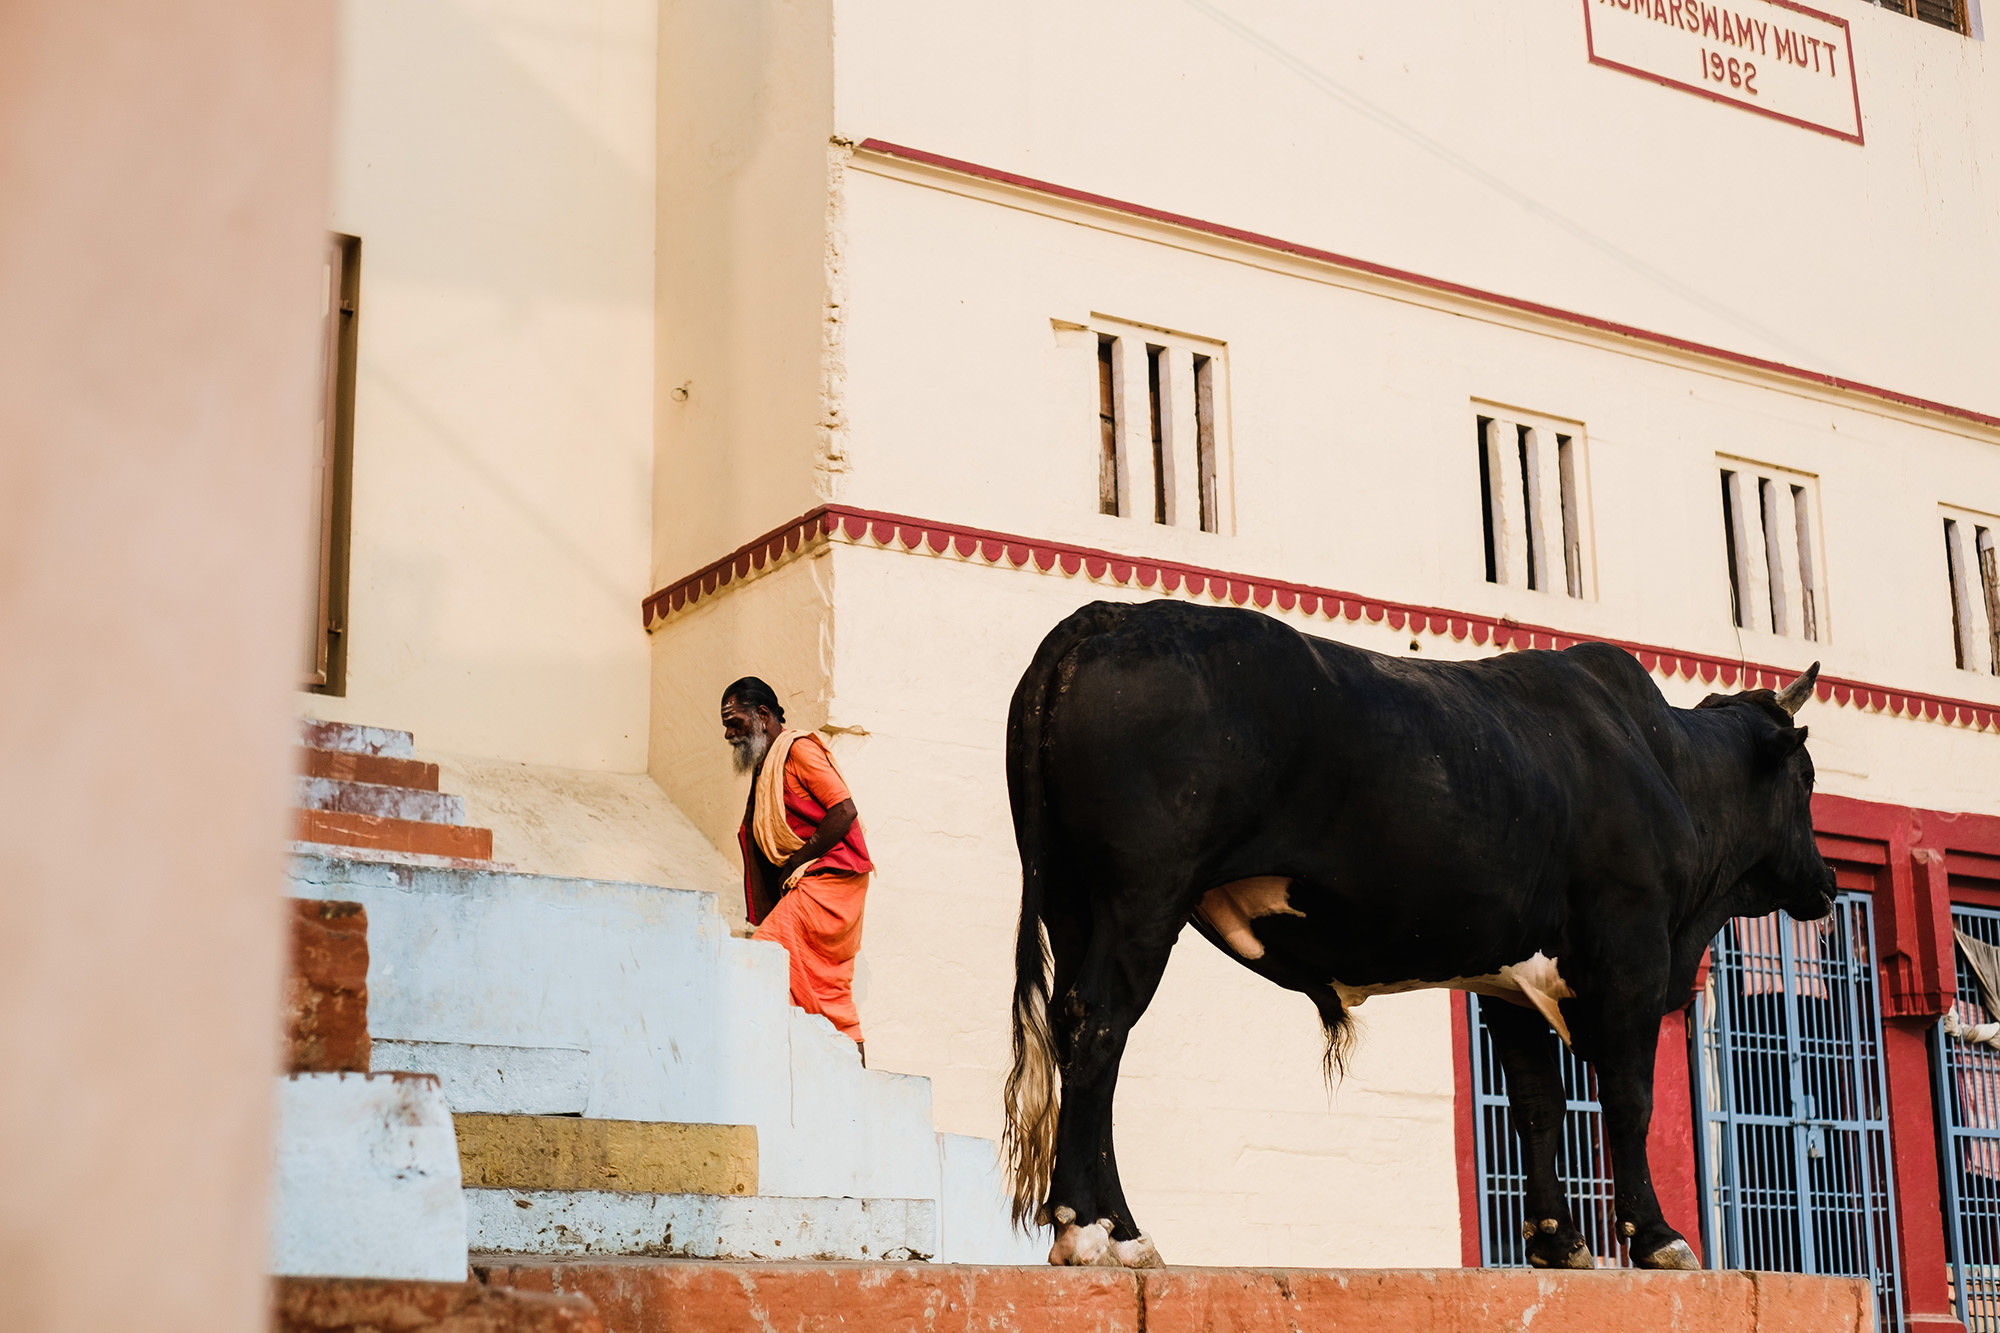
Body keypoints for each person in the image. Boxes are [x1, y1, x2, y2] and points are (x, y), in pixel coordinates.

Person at [720, 676, 875, 1061]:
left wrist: (799, 859)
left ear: (763, 714)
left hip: (830, 880)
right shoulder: (767, 764)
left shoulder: (799, 750)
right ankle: (851, 1086)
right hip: (816, 882)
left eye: (734, 721)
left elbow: (844, 811)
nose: (729, 733)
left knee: (762, 959)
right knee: (828, 995)